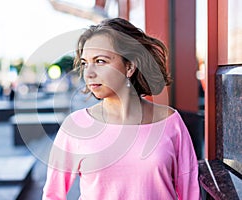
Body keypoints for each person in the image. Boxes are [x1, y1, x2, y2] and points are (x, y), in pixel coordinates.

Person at [42, 18, 200, 199]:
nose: (89, 73)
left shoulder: (170, 122)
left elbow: (190, 192)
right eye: (85, 63)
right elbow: (53, 195)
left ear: (130, 66)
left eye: (100, 61)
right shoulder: (75, 126)